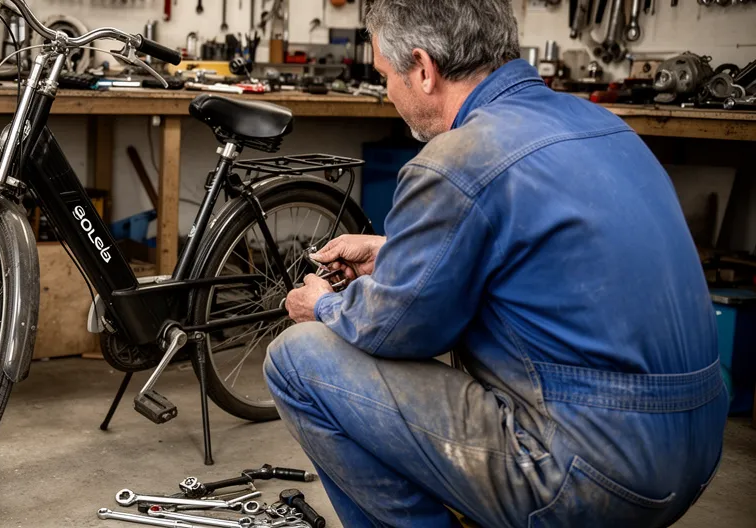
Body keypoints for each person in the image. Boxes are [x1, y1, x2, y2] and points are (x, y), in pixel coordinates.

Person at [263, 1, 727, 527]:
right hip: (696, 452)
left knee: (296, 359)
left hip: (591, 475)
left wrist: (325, 306)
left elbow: (400, 331)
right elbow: (536, 260)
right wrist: (392, 253)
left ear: (423, 69)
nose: (387, 92)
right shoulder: (604, 124)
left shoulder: (458, 157)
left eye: (384, 75)